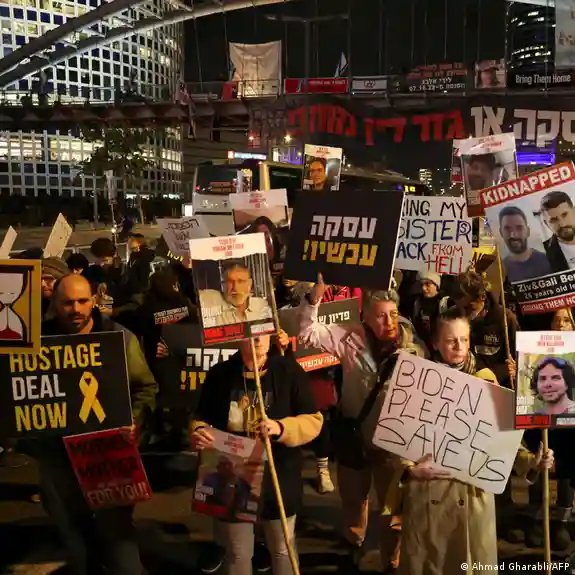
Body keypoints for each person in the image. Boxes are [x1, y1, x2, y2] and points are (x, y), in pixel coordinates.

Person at [396, 309, 554, 575]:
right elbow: (396, 440)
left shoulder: (488, 380)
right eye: (451, 340)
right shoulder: (418, 381)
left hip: (473, 503)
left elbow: (508, 446)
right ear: (435, 343)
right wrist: (410, 470)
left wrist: (535, 461)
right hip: (429, 501)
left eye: (464, 339)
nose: (459, 346)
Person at [29, 274, 157, 575]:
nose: (76, 309)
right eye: (67, 302)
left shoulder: (119, 337)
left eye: (82, 301)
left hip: (108, 455)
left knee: (120, 541)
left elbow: (145, 388)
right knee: (76, 538)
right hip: (57, 458)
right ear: (54, 303)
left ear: (94, 301)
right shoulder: (35, 341)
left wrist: (135, 422)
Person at [298, 274, 427, 572]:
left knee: (394, 512)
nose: (388, 321)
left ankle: (391, 562)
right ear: (365, 317)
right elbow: (308, 333)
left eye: (393, 314)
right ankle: (353, 547)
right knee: (354, 502)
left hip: (394, 445)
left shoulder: (413, 346)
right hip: (354, 438)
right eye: (380, 316)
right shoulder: (348, 336)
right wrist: (314, 298)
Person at [190, 333, 322, 575]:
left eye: (262, 333)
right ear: (237, 336)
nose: (256, 339)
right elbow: (201, 417)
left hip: (278, 475)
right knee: (238, 552)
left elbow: (314, 421)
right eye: (250, 334)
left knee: (282, 549)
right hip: (233, 476)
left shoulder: (288, 371)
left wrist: (281, 428)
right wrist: (199, 431)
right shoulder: (221, 374)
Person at [198, 261, 272, 327]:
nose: (235, 288)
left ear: (250, 284)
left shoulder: (262, 306)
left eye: (241, 281)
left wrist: (281, 338)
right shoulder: (209, 299)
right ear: (223, 284)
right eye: (230, 281)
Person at [498, 205, 551, 282]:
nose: (513, 235)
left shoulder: (548, 260)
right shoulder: (501, 271)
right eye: (507, 229)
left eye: (519, 228)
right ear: (501, 232)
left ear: (528, 231)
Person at [410, 271, 450, 351]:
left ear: (436, 285)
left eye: (427, 284)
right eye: (422, 285)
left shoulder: (445, 302)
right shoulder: (417, 302)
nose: (423, 288)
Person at [541, 190, 575, 272]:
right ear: (546, 224)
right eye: (554, 220)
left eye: (565, 215)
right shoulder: (542, 254)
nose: (562, 224)